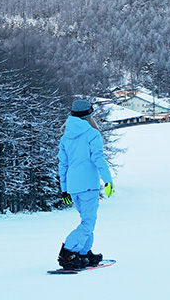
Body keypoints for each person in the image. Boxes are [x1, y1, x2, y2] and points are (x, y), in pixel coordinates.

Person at [56, 99, 114, 270]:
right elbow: (98, 159)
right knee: (88, 222)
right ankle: (68, 252)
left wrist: (64, 190)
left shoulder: (66, 137)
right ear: (89, 115)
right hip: (88, 185)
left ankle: (83, 253)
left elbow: (63, 165)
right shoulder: (92, 134)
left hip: (73, 186)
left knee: (86, 220)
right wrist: (108, 180)